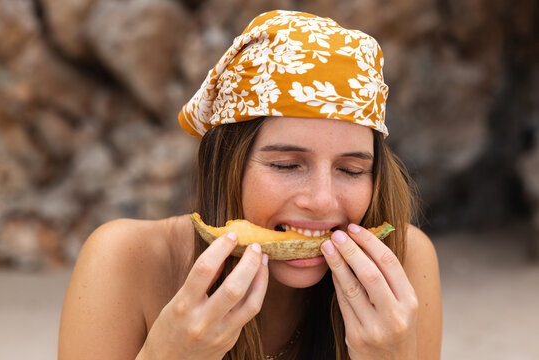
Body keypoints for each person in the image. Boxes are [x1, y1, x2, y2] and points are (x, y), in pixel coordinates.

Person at [58, 10, 442, 360]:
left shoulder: (404, 263)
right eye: (287, 165)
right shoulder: (126, 259)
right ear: (226, 163)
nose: (323, 201)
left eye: (353, 171)